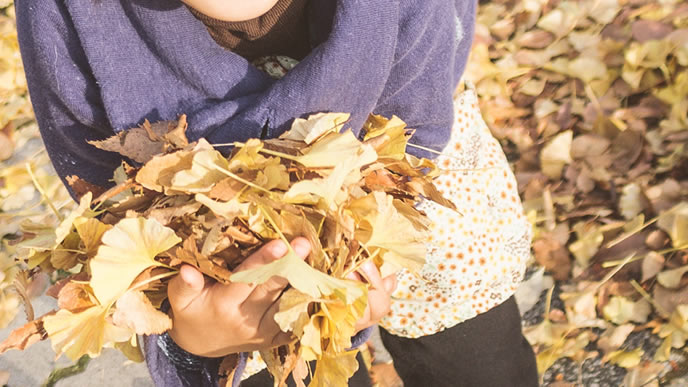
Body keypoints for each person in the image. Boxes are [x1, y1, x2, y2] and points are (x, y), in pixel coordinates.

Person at [14, 0, 539, 386]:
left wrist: (362, 247)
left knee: (481, 367)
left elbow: (416, 125)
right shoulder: (65, 16)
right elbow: (107, 195)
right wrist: (195, 346)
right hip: (228, 291)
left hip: (408, 185)